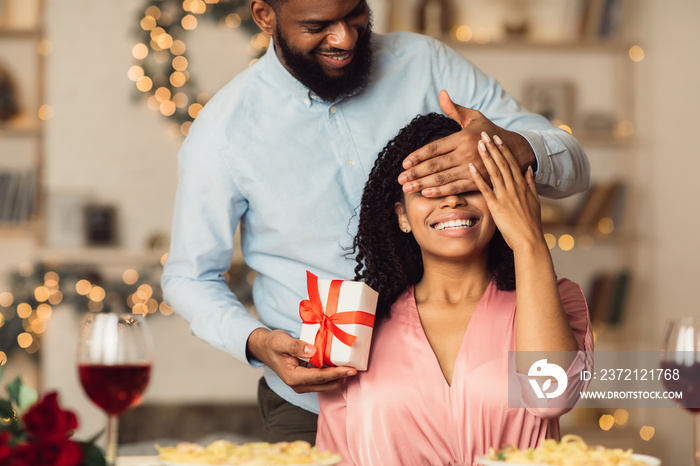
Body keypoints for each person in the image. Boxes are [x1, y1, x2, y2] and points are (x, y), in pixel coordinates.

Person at [161, 0, 590, 444]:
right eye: (317, 25)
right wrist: (259, 343)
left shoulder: (426, 64)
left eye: (354, 15)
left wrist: (516, 145)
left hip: (473, 381)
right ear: (264, 16)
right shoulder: (222, 131)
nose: (344, 39)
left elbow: (573, 162)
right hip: (313, 399)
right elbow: (188, 276)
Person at [316, 113, 593, 465]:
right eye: (428, 190)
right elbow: (335, 452)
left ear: (502, 199)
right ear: (401, 216)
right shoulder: (351, 321)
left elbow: (550, 397)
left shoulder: (555, 300)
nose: (452, 201)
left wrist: (529, 239)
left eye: (470, 184)